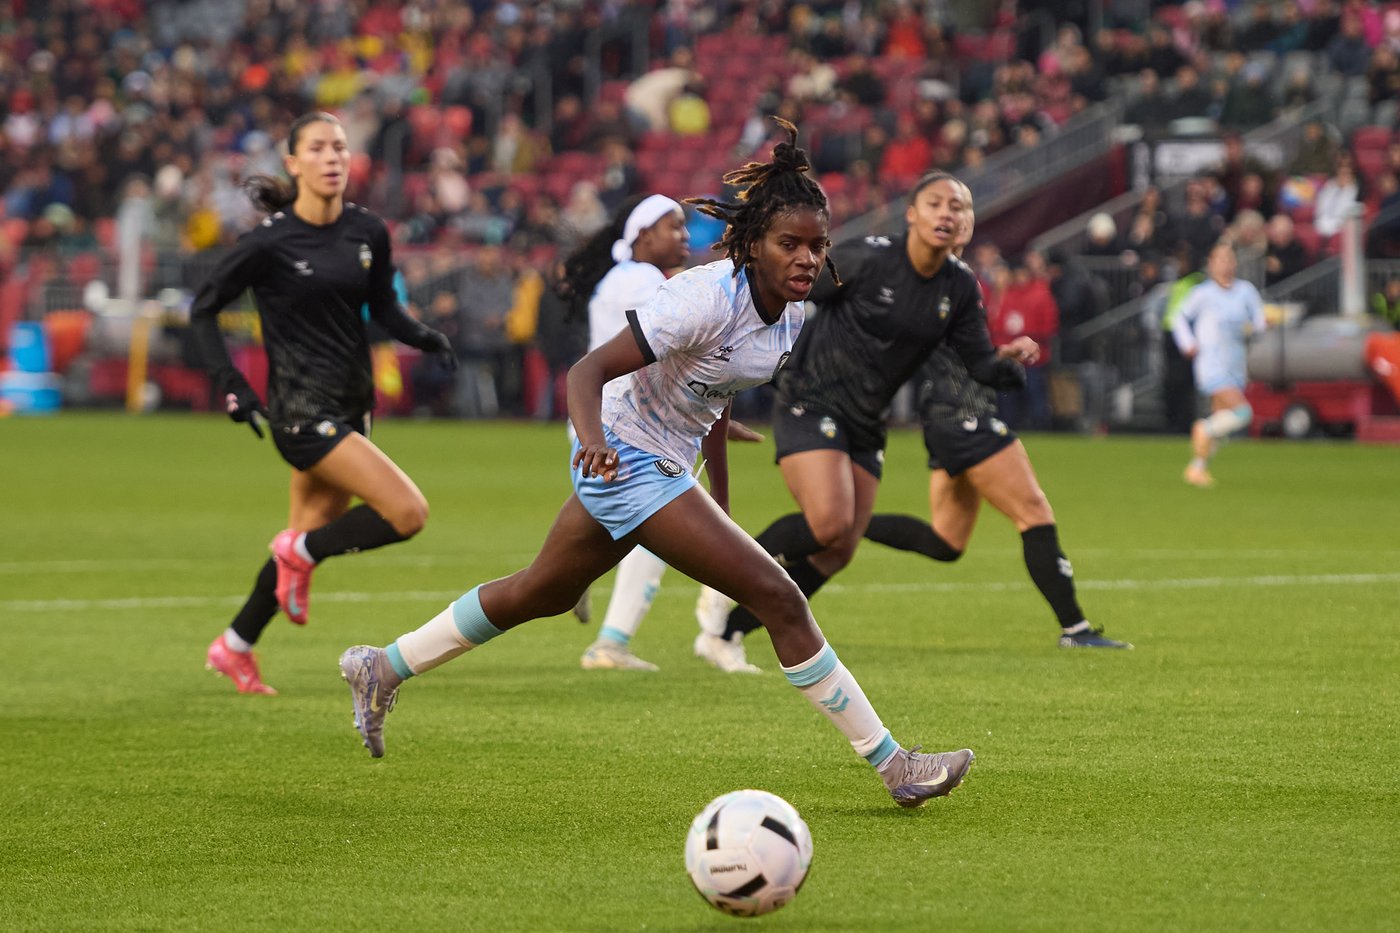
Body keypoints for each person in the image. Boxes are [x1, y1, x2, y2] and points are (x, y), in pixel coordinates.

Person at [337, 120, 975, 808]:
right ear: (751, 242)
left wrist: (720, 495)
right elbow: (587, 370)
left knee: (540, 592)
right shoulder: (700, 297)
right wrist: (591, 441)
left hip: (665, 464)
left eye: (817, 245)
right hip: (626, 460)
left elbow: (719, 395)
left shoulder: (790, 316)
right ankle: (895, 766)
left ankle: (382, 664)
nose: (807, 258)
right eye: (789, 243)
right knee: (780, 598)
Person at [696, 170, 1029, 672]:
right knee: (828, 523)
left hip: (866, 422)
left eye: (958, 206)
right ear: (912, 214)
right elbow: (788, 289)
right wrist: (732, 372)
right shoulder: (869, 258)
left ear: (969, 223)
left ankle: (727, 633)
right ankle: (723, 579)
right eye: (936, 202)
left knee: (838, 550)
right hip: (813, 399)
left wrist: (1011, 363)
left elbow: (980, 365)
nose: (947, 213)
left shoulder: (959, 287)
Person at [191, 112, 455, 696]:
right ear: (294, 163)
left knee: (306, 535)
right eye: (318, 148)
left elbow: (382, 307)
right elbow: (202, 308)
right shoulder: (268, 242)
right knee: (406, 514)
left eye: (339, 146)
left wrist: (421, 336)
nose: (333, 156)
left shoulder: (367, 230)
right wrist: (229, 382)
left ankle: (234, 645)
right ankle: (299, 553)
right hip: (299, 413)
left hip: (352, 406)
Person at [858, 199, 1131, 649]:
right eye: (947, 212)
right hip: (965, 417)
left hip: (947, 421)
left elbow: (952, 352)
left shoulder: (953, 281)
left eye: (962, 213)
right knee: (1034, 512)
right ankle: (1076, 629)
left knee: (947, 541)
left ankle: (845, 522)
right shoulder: (938, 282)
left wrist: (999, 355)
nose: (957, 221)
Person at [555, 192, 694, 670]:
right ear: (643, 236)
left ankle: (571, 581)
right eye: (674, 226)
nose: (685, 235)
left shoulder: (620, 277)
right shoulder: (644, 281)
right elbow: (674, 348)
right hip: (626, 428)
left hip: (599, 422)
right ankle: (610, 645)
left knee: (601, 537)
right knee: (660, 526)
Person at [1172, 240, 1269, 487]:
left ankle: (1197, 468)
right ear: (1211, 264)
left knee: (1222, 420)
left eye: (1229, 259)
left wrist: (1260, 325)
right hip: (1211, 364)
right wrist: (1188, 343)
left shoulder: (1245, 291)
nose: (1226, 265)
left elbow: (1259, 320)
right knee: (1241, 412)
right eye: (1220, 260)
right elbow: (1178, 318)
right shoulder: (1202, 293)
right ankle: (1202, 429)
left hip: (1236, 362)